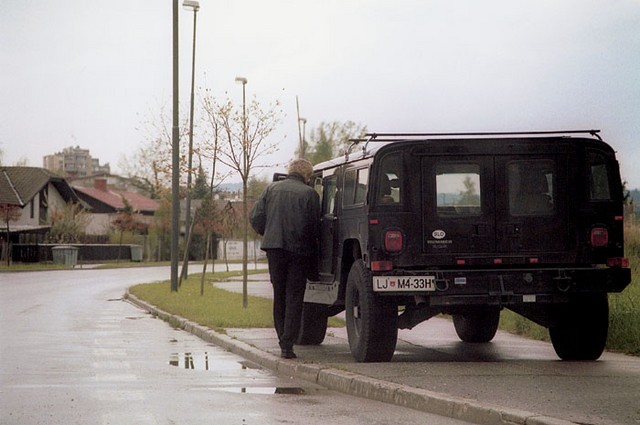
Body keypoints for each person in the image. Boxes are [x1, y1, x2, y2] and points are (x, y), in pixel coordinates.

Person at [249, 159, 320, 359]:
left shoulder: (270, 190)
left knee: (279, 294)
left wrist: (268, 231)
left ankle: (282, 338)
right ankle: (287, 343)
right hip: (299, 251)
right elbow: (315, 227)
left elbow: (255, 217)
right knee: (295, 296)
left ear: (289, 171)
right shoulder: (310, 194)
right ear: (307, 176)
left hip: (274, 249)